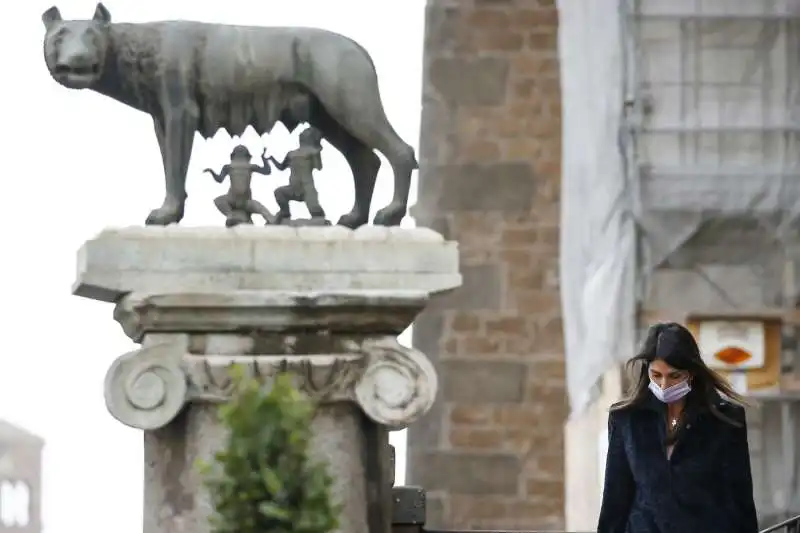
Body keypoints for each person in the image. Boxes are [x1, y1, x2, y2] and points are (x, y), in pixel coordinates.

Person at [597, 322, 758, 533]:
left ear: (691, 373)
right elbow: (615, 499)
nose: (664, 385)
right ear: (647, 371)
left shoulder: (725, 420)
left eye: (674, 376)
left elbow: (740, 499)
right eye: (656, 375)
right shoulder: (626, 419)